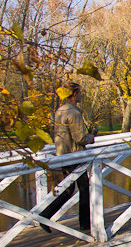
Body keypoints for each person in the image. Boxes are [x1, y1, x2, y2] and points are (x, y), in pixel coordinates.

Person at [39, 81, 95, 233]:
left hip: (62, 154)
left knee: (68, 189)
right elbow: (79, 138)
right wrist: (91, 138)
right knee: (83, 188)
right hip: (74, 155)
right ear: (75, 94)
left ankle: (45, 215)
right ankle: (84, 223)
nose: (81, 95)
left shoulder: (60, 110)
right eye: (80, 92)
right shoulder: (74, 113)